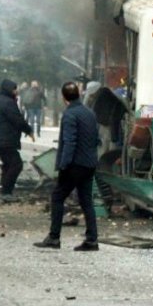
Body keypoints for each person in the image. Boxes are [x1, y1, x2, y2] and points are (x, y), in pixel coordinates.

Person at [34, 82, 100, 251]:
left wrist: (63, 165)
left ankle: (54, 237)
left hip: (74, 165)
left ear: (64, 98)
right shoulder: (90, 113)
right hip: (89, 163)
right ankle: (92, 240)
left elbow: (70, 142)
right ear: (78, 94)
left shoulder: (70, 115)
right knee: (86, 201)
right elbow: (96, 139)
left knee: (57, 197)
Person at [0, 79, 34, 203]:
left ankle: (5, 191)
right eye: (14, 89)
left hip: (0, 139)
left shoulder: (1, 100)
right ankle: (6, 192)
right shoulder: (8, 103)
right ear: (9, 90)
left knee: (8, 165)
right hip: (5, 140)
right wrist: (29, 130)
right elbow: (17, 119)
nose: (16, 91)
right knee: (16, 164)